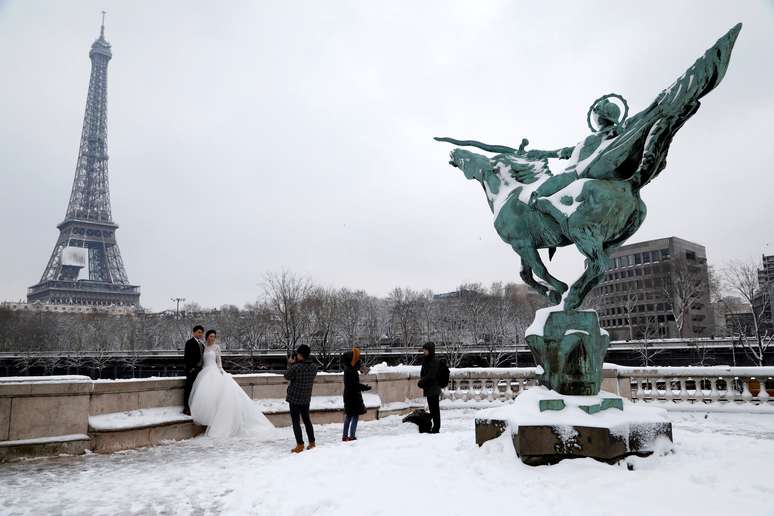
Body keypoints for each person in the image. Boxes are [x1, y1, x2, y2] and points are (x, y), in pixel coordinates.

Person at [188, 329, 274, 438]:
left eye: (214, 336)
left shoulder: (217, 347)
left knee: (218, 397)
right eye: (210, 336)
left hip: (214, 371)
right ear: (207, 337)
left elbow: (219, 361)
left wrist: (220, 371)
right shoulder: (203, 347)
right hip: (204, 372)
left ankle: (218, 422)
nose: (212, 338)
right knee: (207, 397)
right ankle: (209, 421)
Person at [284, 344, 318, 453]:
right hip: (306, 398)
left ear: (300, 355)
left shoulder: (296, 367)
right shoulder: (314, 367)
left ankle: (300, 445)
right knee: (307, 420)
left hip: (294, 398)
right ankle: (312, 442)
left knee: (296, 422)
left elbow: (287, 376)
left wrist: (290, 364)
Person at [341, 347, 371, 442]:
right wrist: (364, 387)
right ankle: (352, 436)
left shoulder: (348, 369)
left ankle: (345, 436)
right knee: (354, 416)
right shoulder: (352, 371)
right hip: (353, 397)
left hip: (348, 396)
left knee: (349, 416)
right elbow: (355, 385)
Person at [418, 342, 441, 434]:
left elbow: (431, 375)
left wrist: (422, 382)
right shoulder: (427, 360)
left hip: (433, 389)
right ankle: (434, 427)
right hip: (429, 388)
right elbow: (425, 373)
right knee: (433, 409)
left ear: (430, 350)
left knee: (435, 409)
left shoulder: (434, 361)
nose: (424, 352)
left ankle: (436, 428)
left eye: (425, 350)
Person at [183, 325, 205, 415]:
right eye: (199, 332)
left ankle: (194, 407)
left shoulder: (202, 344)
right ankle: (186, 408)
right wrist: (191, 368)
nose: (200, 334)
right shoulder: (189, 342)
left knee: (196, 390)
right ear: (194, 332)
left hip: (200, 371)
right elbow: (187, 357)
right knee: (189, 389)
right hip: (192, 370)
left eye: (202, 333)